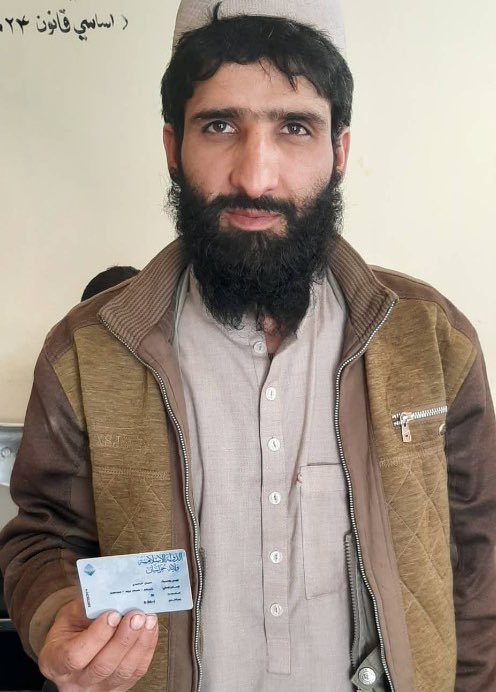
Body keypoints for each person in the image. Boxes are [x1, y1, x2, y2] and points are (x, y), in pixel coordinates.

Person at [1, 2, 495, 691]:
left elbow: (480, 558)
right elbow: (43, 535)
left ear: (339, 152)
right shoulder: (86, 351)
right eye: (219, 125)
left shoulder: (431, 340)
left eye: (295, 127)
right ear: (173, 148)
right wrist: (55, 614)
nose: (255, 177)